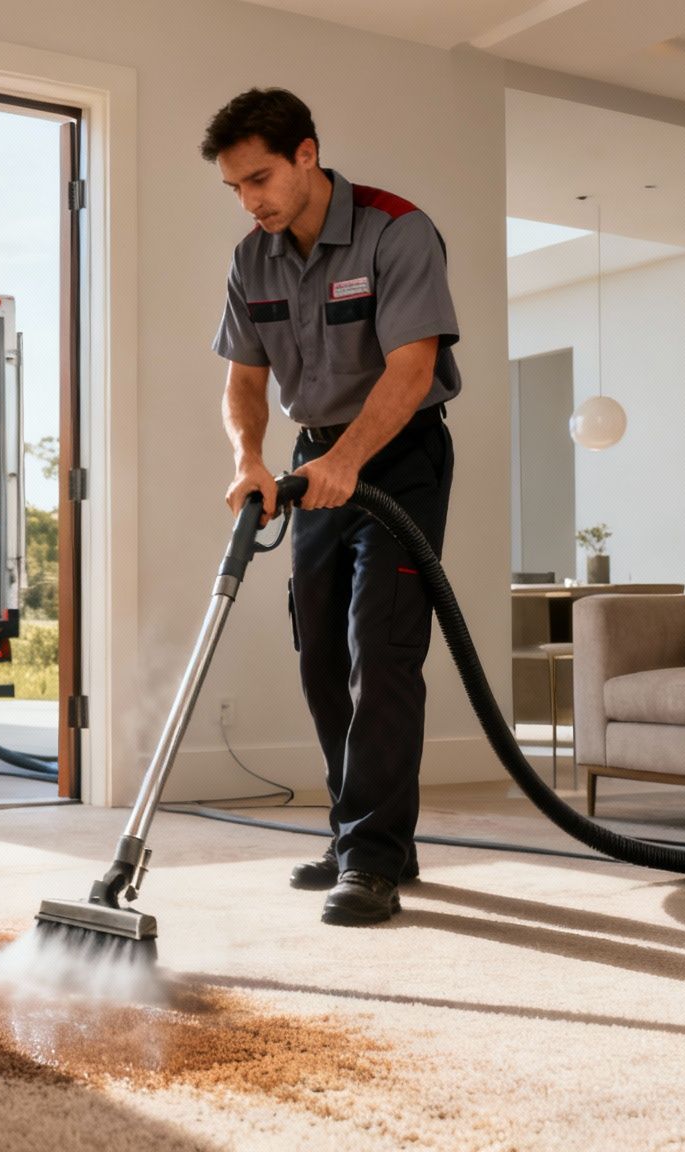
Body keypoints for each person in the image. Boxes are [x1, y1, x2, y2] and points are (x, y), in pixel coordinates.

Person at [205, 88, 461, 926]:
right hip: (315, 461)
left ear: (307, 154)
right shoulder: (255, 258)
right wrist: (251, 458)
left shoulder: (397, 230)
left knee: (380, 652)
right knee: (319, 651)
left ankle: (375, 859)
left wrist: (352, 460)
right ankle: (360, 829)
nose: (251, 199)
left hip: (401, 454)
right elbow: (243, 381)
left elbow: (412, 367)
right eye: (237, 187)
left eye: (261, 177)